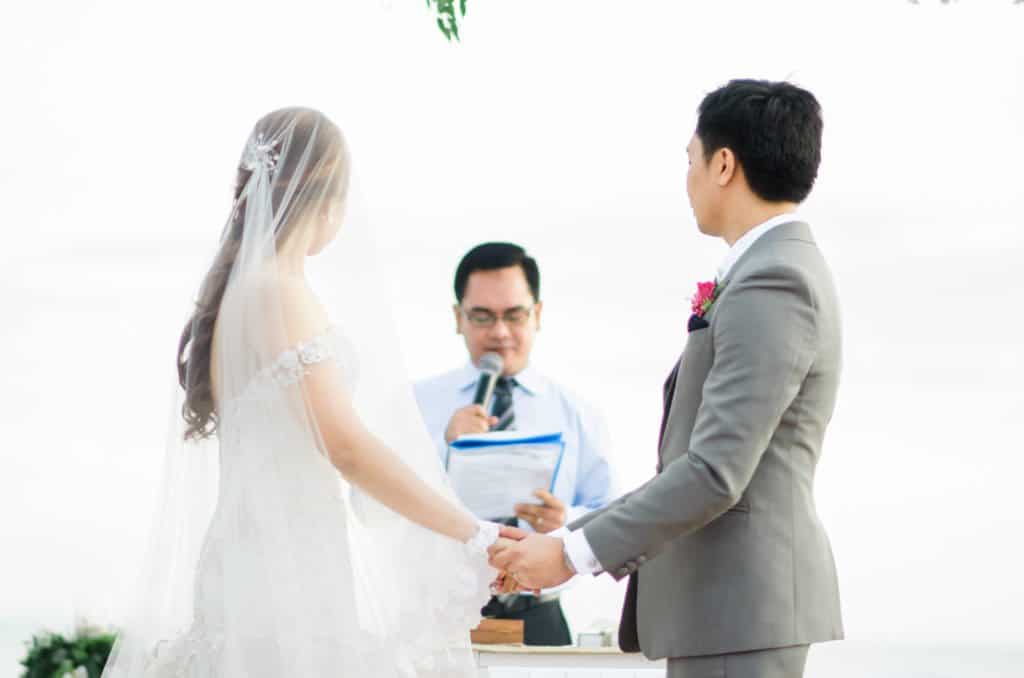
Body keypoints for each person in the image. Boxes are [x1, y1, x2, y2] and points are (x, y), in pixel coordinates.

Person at [102, 108, 511, 678]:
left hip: (260, 554)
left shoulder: (246, 292)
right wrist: (470, 532)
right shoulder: (279, 293)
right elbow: (345, 446)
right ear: (329, 200)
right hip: (285, 568)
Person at [490, 79, 844, 678]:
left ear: (724, 164)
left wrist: (570, 555)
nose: (689, 178)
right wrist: (561, 540)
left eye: (691, 160)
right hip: (728, 615)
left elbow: (713, 472)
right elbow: (692, 466)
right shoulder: (770, 270)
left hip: (740, 610)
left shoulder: (774, 280)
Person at [414, 242, 615, 645]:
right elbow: (376, 508)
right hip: (437, 619)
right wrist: (445, 448)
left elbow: (611, 515)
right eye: (482, 316)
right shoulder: (417, 404)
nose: (500, 332)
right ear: (458, 318)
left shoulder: (577, 412)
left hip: (540, 615)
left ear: (537, 314)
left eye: (514, 315)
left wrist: (564, 523)